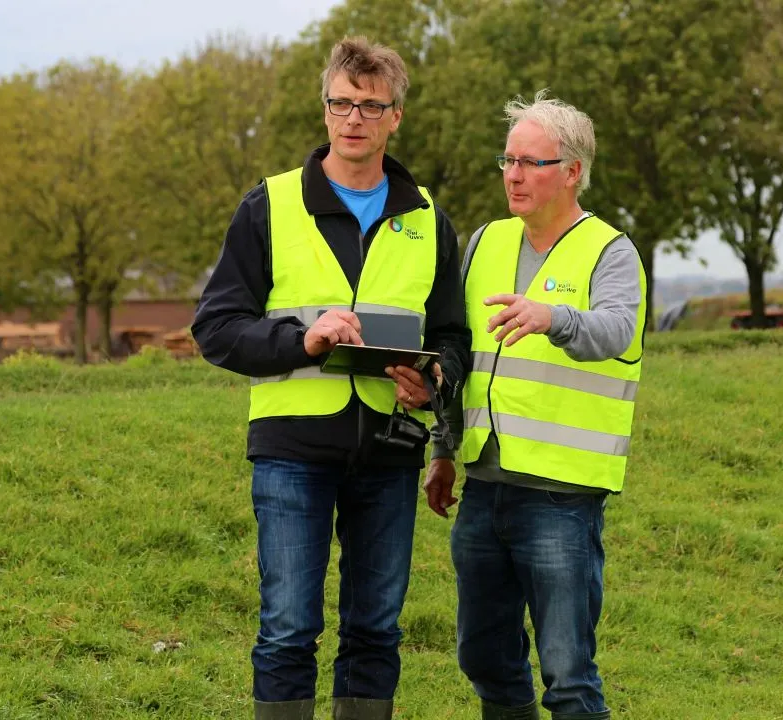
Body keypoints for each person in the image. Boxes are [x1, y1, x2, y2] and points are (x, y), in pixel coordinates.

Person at [191, 36, 469, 720]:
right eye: (341, 103)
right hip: (292, 451)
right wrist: (299, 340)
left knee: (376, 629)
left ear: (395, 116)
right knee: (288, 630)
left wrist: (432, 382)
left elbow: (455, 338)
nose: (354, 119)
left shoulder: (429, 219)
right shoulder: (269, 206)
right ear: (324, 110)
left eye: (370, 106)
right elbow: (216, 328)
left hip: (390, 450)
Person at [425, 90, 647, 720]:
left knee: (568, 675)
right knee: (482, 657)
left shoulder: (611, 251)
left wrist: (552, 316)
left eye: (530, 162)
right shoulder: (485, 243)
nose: (513, 175)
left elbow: (615, 331)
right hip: (484, 485)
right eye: (507, 160)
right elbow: (462, 355)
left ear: (572, 171)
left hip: (561, 497)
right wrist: (442, 450)